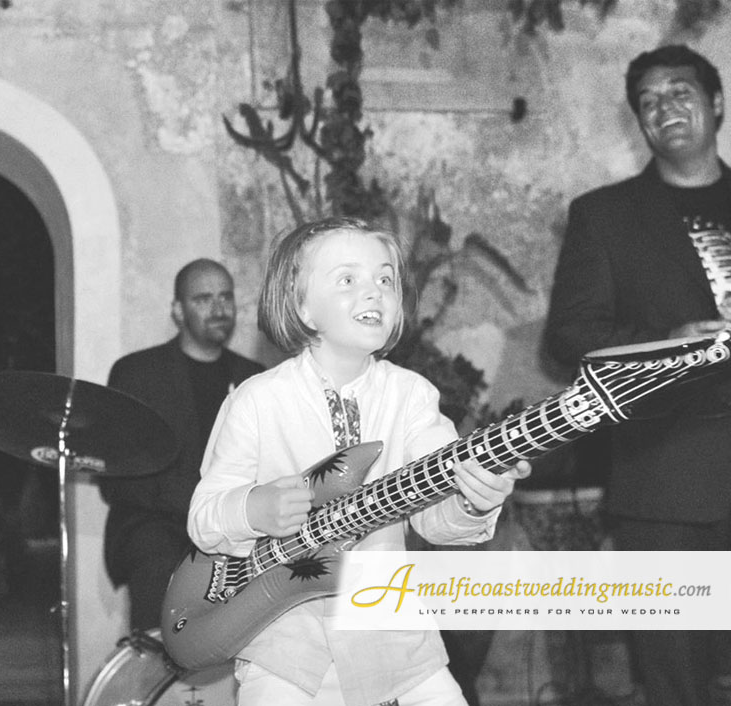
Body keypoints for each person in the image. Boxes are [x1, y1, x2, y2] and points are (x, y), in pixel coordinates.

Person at [188, 217, 530, 706]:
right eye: (348, 279)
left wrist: (475, 501)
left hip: (396, 646)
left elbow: (436, 519)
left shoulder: (411, 396)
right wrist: (253, 508)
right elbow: (204, 518)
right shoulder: (257, 401)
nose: (374, 292)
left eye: (385, 279)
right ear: (302, 306)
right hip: (287, 648)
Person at [545, 44, 731, 706]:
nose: (663, 108)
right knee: (675, 680)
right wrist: (665, 345)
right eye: (648, 102)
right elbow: (569, 335)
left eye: (679, 92)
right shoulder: (604, 216)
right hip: (664, 483)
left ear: (716, 103)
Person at [99, 258, 264, 632]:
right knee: (158, 564)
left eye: (225, 297)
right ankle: (155, 680)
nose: (218, 309)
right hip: (156, 525)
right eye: (203, 299)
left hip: (235, 526)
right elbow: (116, 477)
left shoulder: (254, 378)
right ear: (177, 310)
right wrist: (193, 505)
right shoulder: (136, 373)